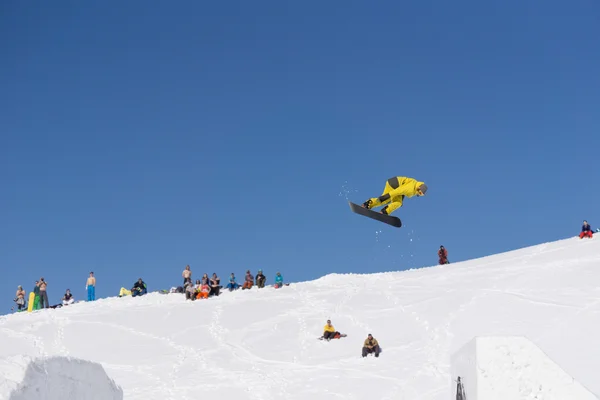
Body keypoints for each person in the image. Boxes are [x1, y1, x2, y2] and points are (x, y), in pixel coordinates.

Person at [361, 176, 427, 215]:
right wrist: (387, 196)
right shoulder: (411, 188)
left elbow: (402, 191)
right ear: (419, 188)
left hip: (396, 185)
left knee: (398, 203)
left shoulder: (414, 186)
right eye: (420, 193)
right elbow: (399, 191)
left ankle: (384, 211)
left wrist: (401, 199)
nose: (419, 194)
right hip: (393, 185)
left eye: (421, 195)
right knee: (385, 200)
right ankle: (368, 204)